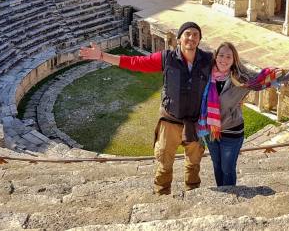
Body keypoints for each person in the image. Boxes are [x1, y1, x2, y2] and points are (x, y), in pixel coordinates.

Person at [78, 22, 212, 195]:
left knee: (194, 163)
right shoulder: (167, 58)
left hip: (194, 122)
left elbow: (228, 68)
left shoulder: (208, 60)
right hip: (170, 122)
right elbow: (136, 62)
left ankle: (194, 193)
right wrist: (102, 55)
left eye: (195, 34)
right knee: (164, 164)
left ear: (199, 39)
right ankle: (162, 196)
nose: (191, 38)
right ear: (179, 39)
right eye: (187, 34)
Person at [198, 41, 289, 187]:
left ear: (234, 60)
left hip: (231, 131)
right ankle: (223, 192)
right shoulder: (205, 75)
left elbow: (267, 77)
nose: (224, 60)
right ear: (215, 57)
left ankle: (230, 196)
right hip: (211, 131)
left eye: (228, 57)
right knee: (216, 165)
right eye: (221, 55)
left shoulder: (242, 78)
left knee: (227, 169)